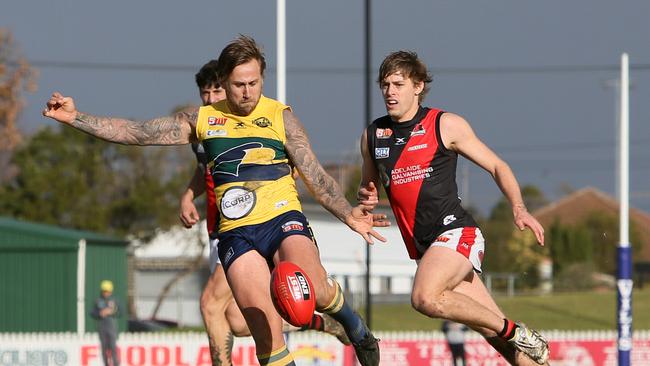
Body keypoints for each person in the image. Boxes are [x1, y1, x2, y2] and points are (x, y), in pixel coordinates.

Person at [44, 35, 386, 366]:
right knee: (263, 332)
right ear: (223, 81)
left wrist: (348, 215)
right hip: (236, 233)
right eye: (239, 84)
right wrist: (76, 117)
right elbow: (138, 132)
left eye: (254, 83)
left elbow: (316, 175)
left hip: (282, 220)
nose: (248, 92)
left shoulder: (281, 117)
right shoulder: (203, 120)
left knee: (313, 288)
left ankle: (354, 325)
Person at [357, 50, 549, 365]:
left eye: (398, 84)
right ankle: (514, 336)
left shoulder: (444, 125)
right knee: (501, 343)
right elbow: (368, 186)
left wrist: (519, 208)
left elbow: (497, 166)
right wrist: (365, 198)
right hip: (428, 249)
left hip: (456, 233)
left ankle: (513, 329)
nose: (389, 92)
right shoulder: (373, 135)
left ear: (417, 86)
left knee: (424, 297)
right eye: (384, 85)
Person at [181, 59, 351, 366]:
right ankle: (317, 322)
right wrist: (188, 196)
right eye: (204, 92)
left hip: (244, 226)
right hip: (216, 229)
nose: (209, 98)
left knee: (210, 304)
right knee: (237, 320)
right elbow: (205, 169)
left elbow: (291, 163)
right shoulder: (205, 127)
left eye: (216, 90)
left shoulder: (263, 119)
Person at [90, 280, 120, 366]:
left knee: (113, 347)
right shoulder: (98, 301)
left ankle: (116, 364)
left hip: (112, 327)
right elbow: (92, 313)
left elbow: (121, 312)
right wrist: (100, 313)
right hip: (102, 327)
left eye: (108, 291)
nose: (106, 293)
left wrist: (111, 312)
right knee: (104, 348)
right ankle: (106, 364)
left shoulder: (114, 301)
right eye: (104, 291)